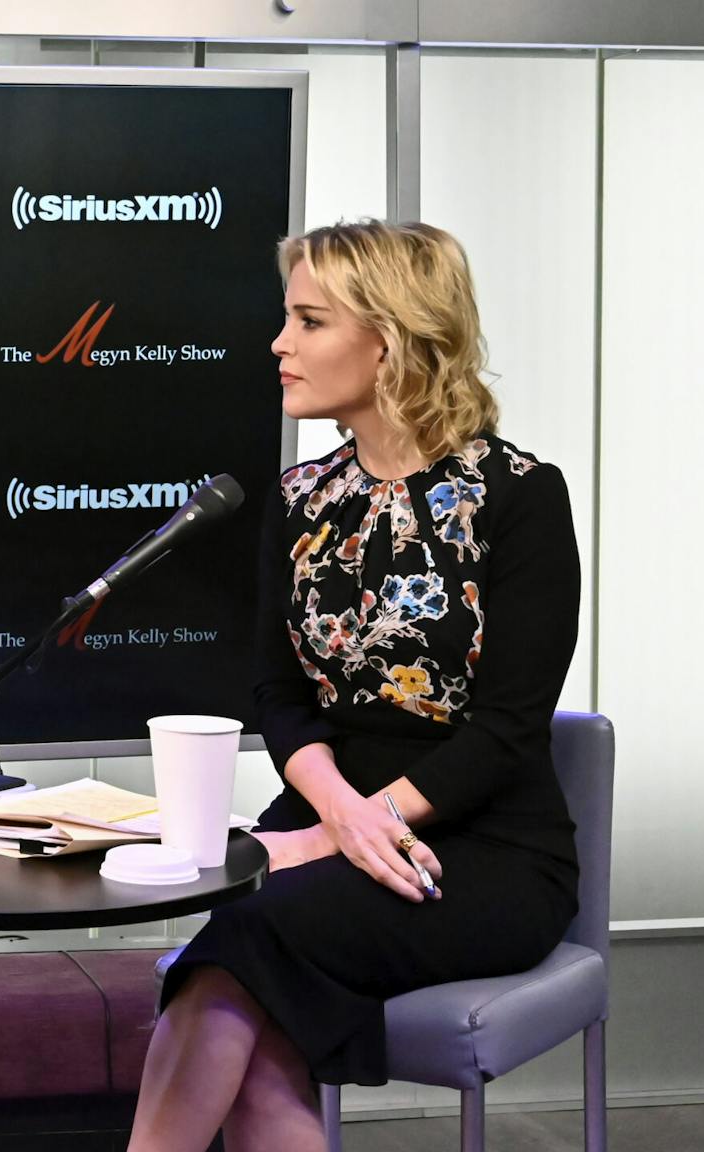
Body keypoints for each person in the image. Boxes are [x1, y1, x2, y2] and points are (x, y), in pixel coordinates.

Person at [129, 220, 582, 1152]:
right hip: (327, 815)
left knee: (246, 940)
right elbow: (279, 695)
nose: (278, 344)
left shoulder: (520, 496)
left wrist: (349, 831)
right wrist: (334, 818)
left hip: (484, 849)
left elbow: (506, 730)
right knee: (257, 1001)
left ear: (391, 340)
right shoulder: (301, 497)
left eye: (308, 321)